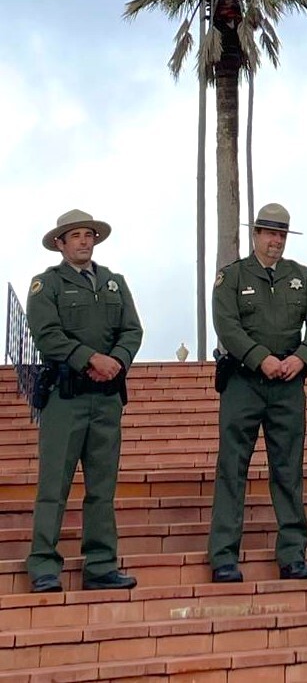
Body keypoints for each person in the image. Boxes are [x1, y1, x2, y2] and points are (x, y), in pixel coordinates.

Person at [208, 202, 307, 583]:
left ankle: (292, 554)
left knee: (288, 470)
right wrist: (260, 358)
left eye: (281, 235)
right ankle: (224, 556)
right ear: (255, 235)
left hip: (288, 386)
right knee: (232, 469)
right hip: (244, 383)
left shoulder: (302, 277)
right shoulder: (232, 277)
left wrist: (302, 358)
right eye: (269, 233)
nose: (275, 241)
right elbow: (227, 325)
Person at [25, 209, 143, 593]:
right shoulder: (47, 285)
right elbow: (47, 335)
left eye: (88, 235)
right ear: (60, 243)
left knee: (102, 488)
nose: (83, 241)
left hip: (106, 399)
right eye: (74, 236)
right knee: (54, 485)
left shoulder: (114, 283)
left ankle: (101, 564)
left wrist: (117, 362)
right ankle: (43, 564)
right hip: (66, 398)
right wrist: (91, 358)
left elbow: (132, 329)